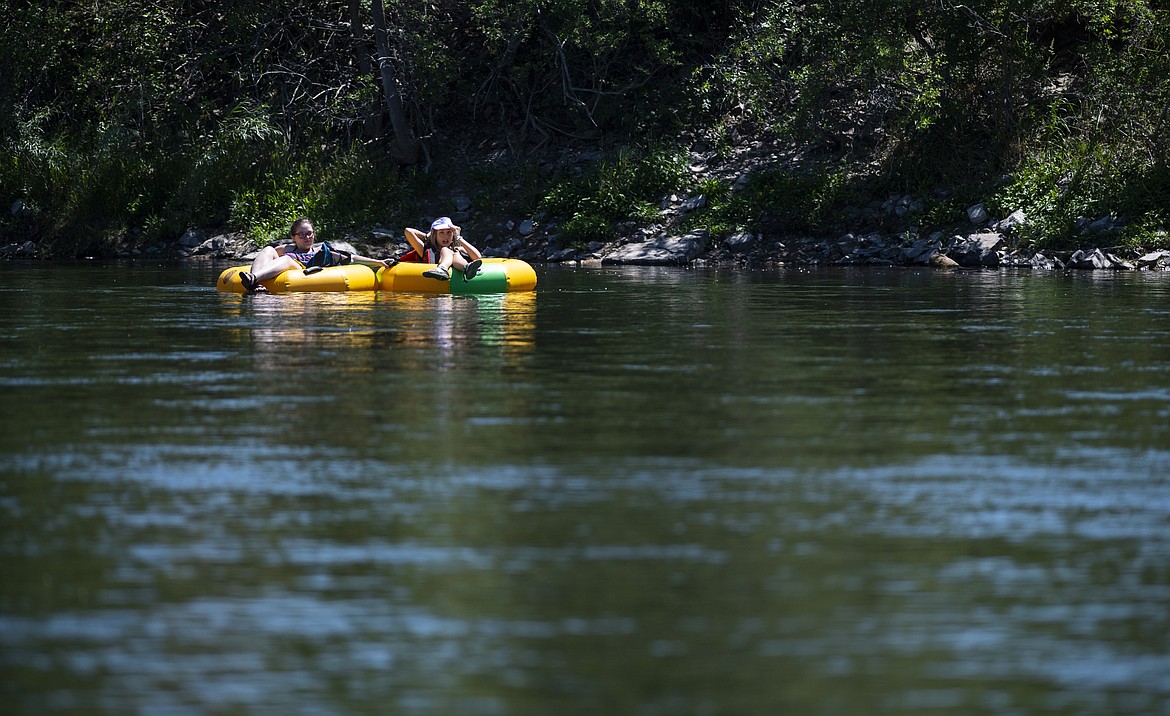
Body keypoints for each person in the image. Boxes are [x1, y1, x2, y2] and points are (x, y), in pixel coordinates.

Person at [239, 218, 397, 293]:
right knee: (268, 249)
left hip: (300, 272)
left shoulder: (321, 251)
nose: (306, 237)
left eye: (309, 234)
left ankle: (254, 278)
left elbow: (351, 258)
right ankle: (253, 279)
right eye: (301, 235)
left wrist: (379, 262)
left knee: (286, 259)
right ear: (293, 237)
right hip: (286, 268)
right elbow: (267, 255)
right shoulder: (287, 248)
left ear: (314, 234)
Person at [403, 216, 483, 282]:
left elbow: (477, 257)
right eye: (441, 232)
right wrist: (427, 236)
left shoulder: (457, 248)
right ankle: (443, 268)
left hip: (458, 268)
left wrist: (458, 238)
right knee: (445, 250)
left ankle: (466, 268)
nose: (446, 236)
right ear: (435, 235)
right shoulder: (425, 249)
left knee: (455, 254)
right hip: (434, 285)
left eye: (449, 232)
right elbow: (408, 231)